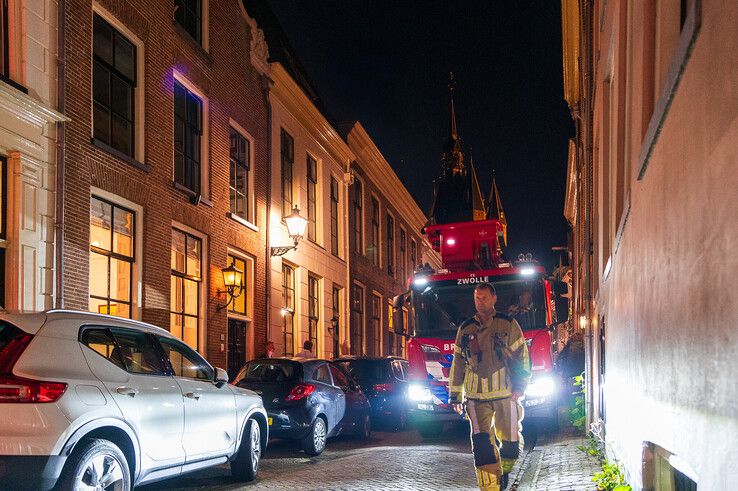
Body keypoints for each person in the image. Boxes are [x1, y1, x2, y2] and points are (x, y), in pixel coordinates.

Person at [448, 283, 531, 491]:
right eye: (477, 298)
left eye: (484, 297)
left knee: (511, 446)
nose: (480, 301)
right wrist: (455, 396)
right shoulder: (465, 329)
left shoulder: (508, 325)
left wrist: (520, 386)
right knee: (482, 447)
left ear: (494, 299)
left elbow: (522, 357)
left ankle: (502, 472)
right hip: (476, 398)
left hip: (506, 395)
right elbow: (457, 363)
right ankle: (491, 487)